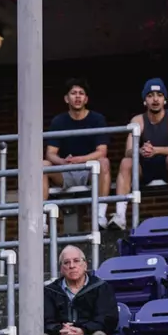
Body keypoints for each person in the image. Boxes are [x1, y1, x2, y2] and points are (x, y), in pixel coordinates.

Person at [109, 79, 168, 229]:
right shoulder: (137, 120)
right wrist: (141, 150)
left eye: (159, 95)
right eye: (150, 95)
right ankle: (120, 216)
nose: (155, 99)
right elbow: (128, 151)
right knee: (126, 162)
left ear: (165, 99)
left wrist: (155, 150)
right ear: (145, 100)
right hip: (146, 167)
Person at [44, 78, 111, 229]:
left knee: (104, 162)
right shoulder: (58, 121)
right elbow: (50, 153)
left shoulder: (97, 119)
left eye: (81, 93)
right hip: (65, 170)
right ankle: (41, 221)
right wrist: (63, 162)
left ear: (86, 99)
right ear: (66, 98)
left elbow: (102, 151)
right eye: (73, 93)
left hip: (89, 170)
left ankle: (100, 216)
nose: (78, 96)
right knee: (43, 165)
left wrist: (81, 159)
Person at [44, 244, 119, 335]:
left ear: (85, 265)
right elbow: (46, 321)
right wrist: (60, 330)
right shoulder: (50, 291)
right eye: (66, 262)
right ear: (61, 269)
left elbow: (107, 319)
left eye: (76, 261)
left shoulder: (101, 287)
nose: (72, 266)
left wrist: (82, 330)